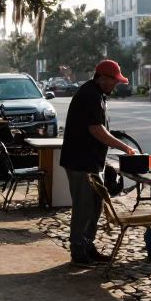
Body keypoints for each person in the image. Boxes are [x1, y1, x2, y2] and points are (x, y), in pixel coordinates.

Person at [59, 60, 136, 267]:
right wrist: (125, 147)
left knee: (95, 208)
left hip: (92, 161)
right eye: (114, 81)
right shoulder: (89, 95)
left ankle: (88, 247)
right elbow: (97, 130)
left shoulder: (98, 95)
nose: (116, 85)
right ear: (101, 77)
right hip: (80, 161)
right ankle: (78, 252)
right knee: (83, 208)